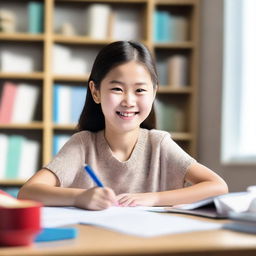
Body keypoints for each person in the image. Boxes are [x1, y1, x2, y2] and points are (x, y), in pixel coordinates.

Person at [18, 41, 228, 210]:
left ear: (154, 92)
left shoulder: (159, 144)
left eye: (140, 90)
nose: (128, 101)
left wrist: (153, 198)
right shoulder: (83, 145)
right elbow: (28, 191)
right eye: (117, 89)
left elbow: (218, 186)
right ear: (96, 92)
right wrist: (80, 197)